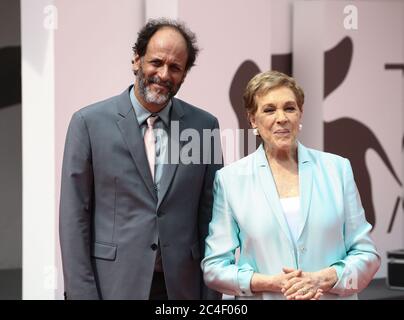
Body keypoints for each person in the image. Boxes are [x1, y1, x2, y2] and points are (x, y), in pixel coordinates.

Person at [60, 18, 223, 300]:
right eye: (156, 62)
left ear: (184, 75)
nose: (163, 74)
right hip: (113, 286)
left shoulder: (204, 126)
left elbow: (211, 218)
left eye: (175, 67)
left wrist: (210, 296)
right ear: (137, 60)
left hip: (181, 289)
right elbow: (74, 219)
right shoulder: (88, 123)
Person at [201, 70, 380, 300]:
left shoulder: (337, 169)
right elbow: (214, 269)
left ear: (300, 113)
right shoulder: (230, 180)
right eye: (269, 109)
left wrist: (323, 279)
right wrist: (271, 283)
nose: (282, 118)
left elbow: (367, 255)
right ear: (253, 119)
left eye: (289, 108)